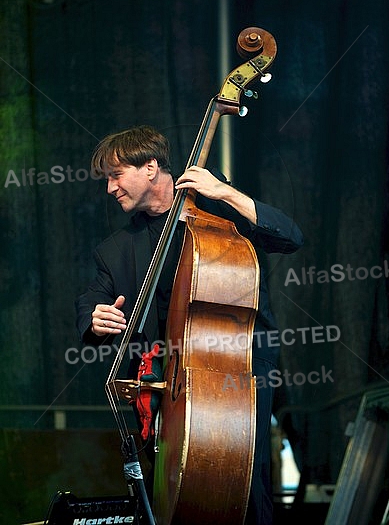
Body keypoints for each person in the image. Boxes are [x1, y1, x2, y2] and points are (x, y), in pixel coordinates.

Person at [76, 125, 304, 525]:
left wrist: (227, 193)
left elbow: (290, 237)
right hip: (167, 383)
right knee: (172, 497)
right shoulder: (114, 249)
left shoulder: (219, 212)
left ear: (150, 167)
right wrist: (95, 318)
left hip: (236, 372)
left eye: (115, 176)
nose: (110, 189)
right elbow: (90, 301)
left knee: (246, 489)